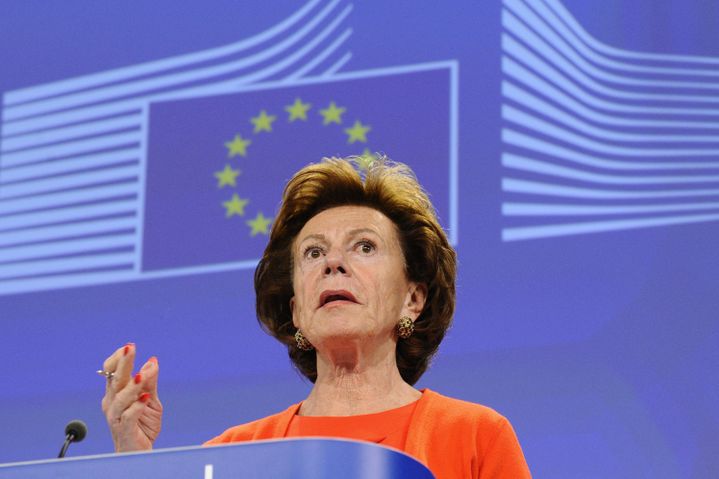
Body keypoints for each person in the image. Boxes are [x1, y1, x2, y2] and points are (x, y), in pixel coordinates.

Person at [100, 156, 531, 478]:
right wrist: (133, 462)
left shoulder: (474, 436)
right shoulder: (233, 453)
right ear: (296, 311)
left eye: (364, 246)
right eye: (314, 252)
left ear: (412, 300)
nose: (333, 263)